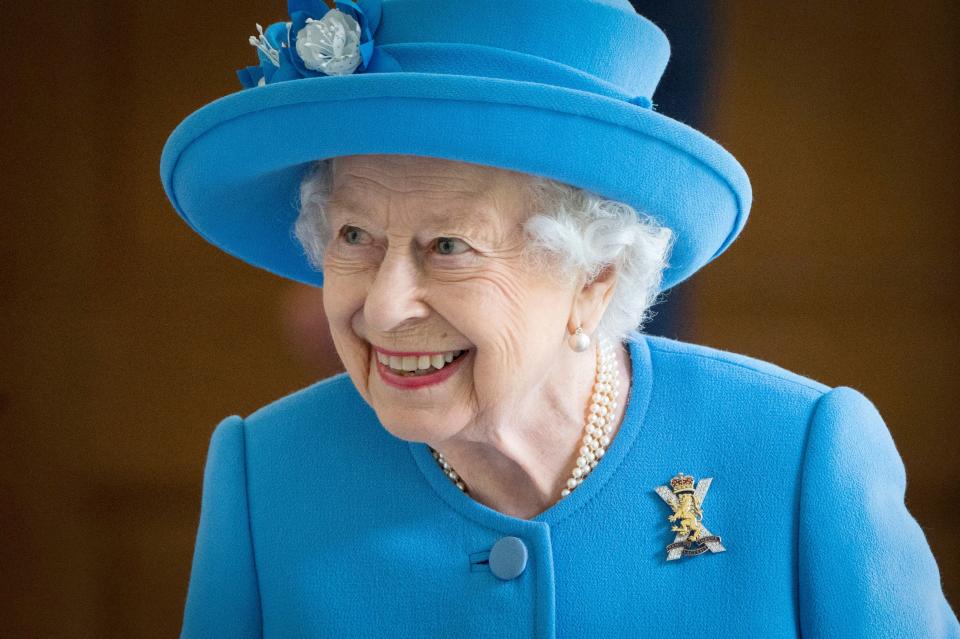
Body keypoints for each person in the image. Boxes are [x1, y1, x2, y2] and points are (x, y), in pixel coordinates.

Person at [159, 0, 960, 636]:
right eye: (355, 237)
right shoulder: (266, 474)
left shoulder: (798, 457)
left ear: (593, 281)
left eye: (448, 245)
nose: (384, 306)